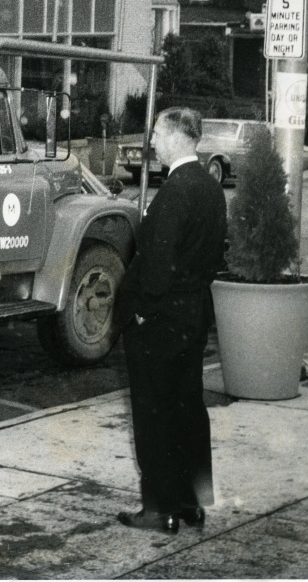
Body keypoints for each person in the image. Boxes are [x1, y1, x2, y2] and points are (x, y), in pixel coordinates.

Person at [114, 107, 227, 534]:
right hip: (193, 317)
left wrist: (140, 312)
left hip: (159, 323)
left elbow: (157, 268)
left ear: (179, 138)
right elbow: (214, 254)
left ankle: (158, 511)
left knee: (154, 413)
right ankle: (191, 503)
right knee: (187, 409)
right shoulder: (210, 188)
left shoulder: (176, 191)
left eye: (158, 134)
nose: (153, 142)